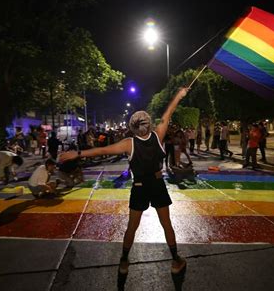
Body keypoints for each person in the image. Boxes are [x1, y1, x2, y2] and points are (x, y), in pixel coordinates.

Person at [59, 87, 189, 276]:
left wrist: (76, 153)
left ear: (132, 127)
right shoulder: (158, 135)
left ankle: (124, 261)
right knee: (166, 224)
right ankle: (176, 261)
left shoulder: (129, 144)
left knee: (131, 227)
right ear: (149, 124)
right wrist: (179, 94)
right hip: (157, 184)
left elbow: (102, 151)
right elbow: (168, 113)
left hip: (139, 187)